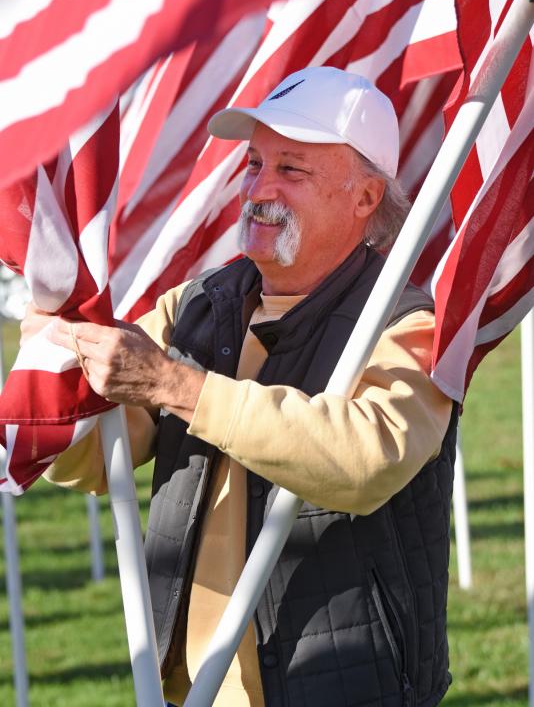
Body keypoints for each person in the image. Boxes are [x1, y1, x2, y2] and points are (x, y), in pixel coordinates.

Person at [26, 66, 456, 707]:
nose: (259, 188)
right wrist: (52, 363)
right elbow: (95, 456)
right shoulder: (196, 303)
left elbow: (368, 459)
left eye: (292, 170)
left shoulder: (407, 320)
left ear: (366, 198)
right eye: (255, 163)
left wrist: (177, 385)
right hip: (190, 688)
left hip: (341, 684)